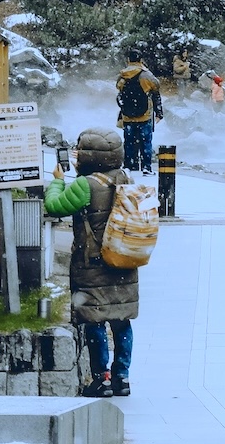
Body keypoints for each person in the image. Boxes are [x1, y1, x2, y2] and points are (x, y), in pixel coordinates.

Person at [44, 127, 138, 398]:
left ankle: (102, 378)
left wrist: (58, 182)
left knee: (95, 319)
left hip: (94, 263)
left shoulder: (86, 185)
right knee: (121, 319)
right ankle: (123, 377)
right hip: (124, 259)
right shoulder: (125, 179)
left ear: (90, 157)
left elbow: (56, 206)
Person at [116, 49, 163, 175]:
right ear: (140, 60)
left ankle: (128, 165)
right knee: (146, 141)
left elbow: (119, 88)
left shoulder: (123, 75)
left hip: (127, 115)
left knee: (128, 141)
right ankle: (146, 167)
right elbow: (156, 86)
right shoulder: (145, 74)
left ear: (128, 60)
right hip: (144, 114)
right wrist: (159, 112)